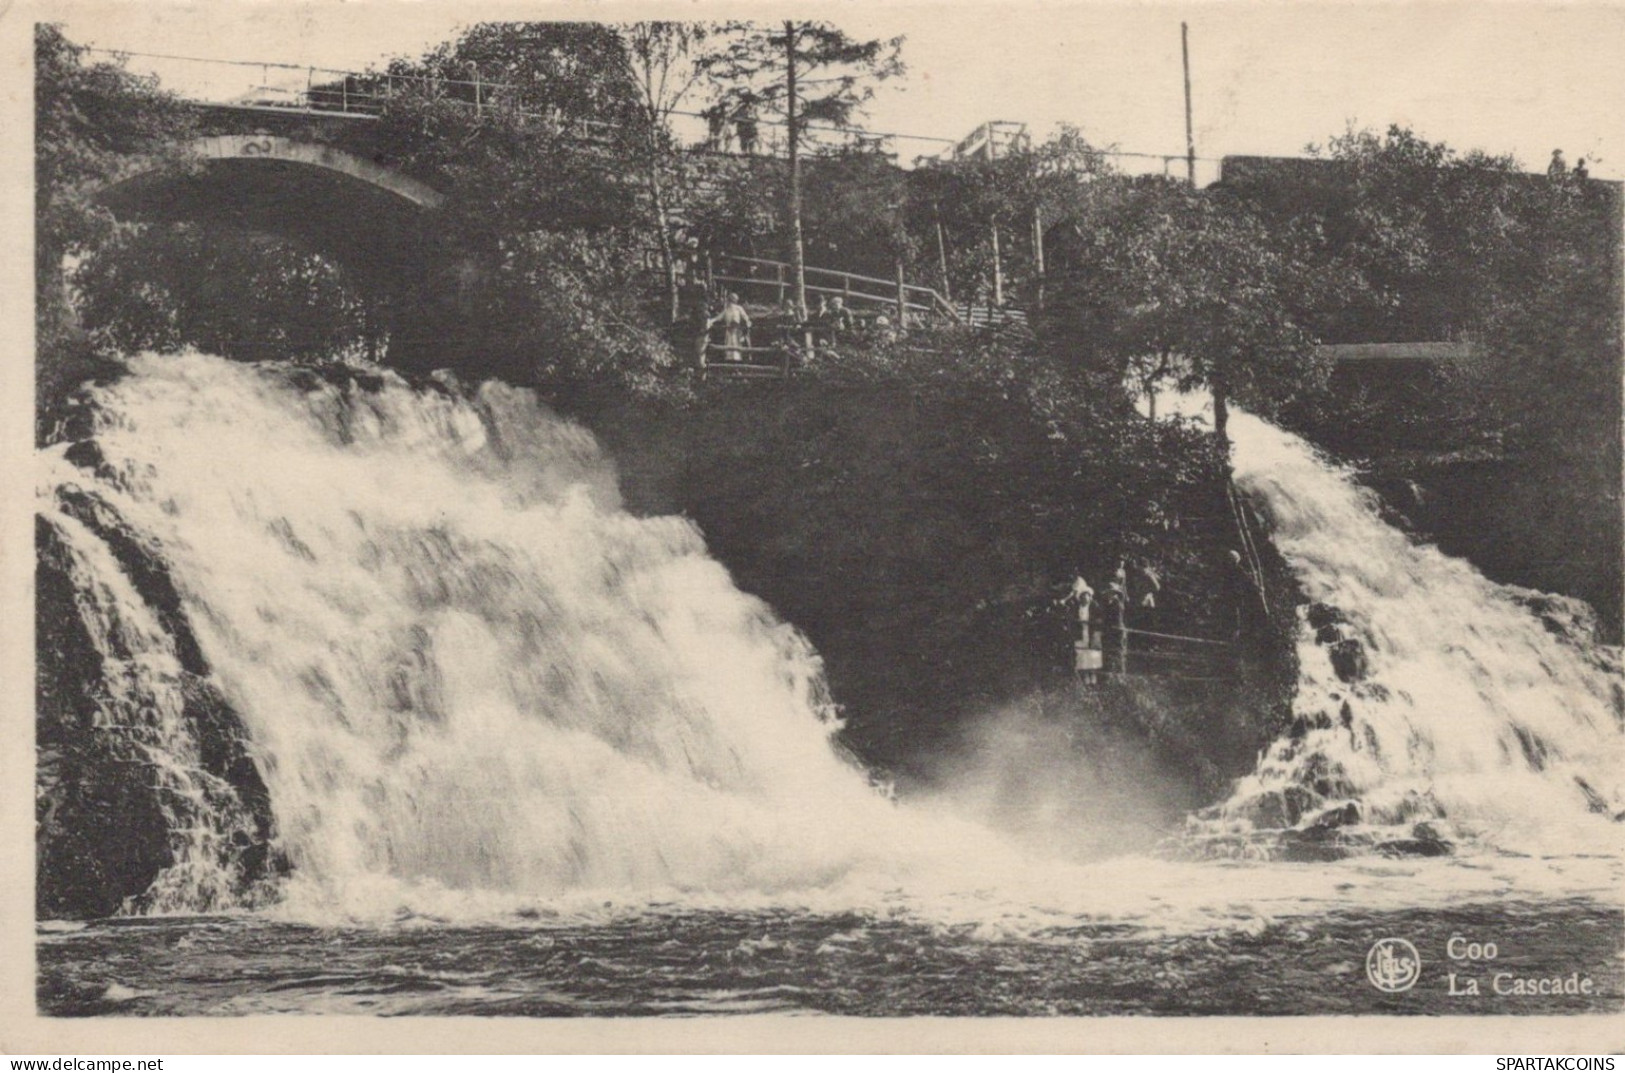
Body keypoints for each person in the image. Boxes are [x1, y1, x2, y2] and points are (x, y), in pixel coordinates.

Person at [708, 292, 751, 362]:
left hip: (737, 331)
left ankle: (737, 364)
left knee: (736, 346)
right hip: (729, 331)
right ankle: (730, 363)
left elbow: (745, 317)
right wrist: (711, 321)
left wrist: (747, 323)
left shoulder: (739, 308)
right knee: (729, 346)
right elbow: (719, 317)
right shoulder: (726, 309)